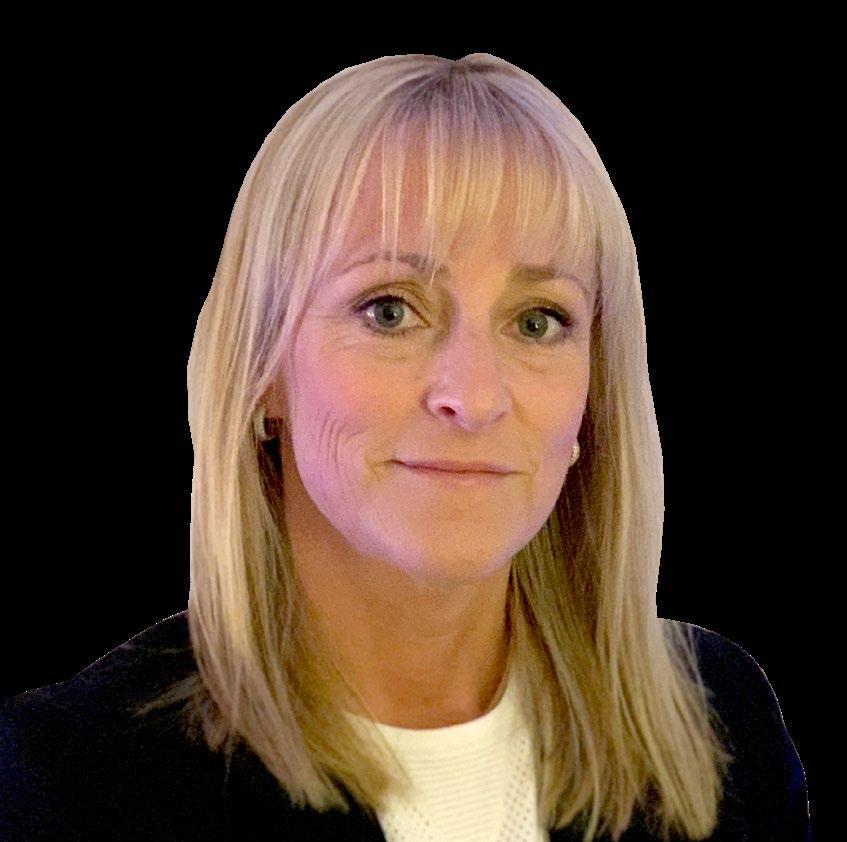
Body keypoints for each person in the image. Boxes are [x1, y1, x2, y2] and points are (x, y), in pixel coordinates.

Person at [1, 54, 810, 840]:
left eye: (537, 321)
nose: (475, 397)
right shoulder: (64, 785)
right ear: (263, 371)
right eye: (389, 310)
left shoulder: (718, 724)